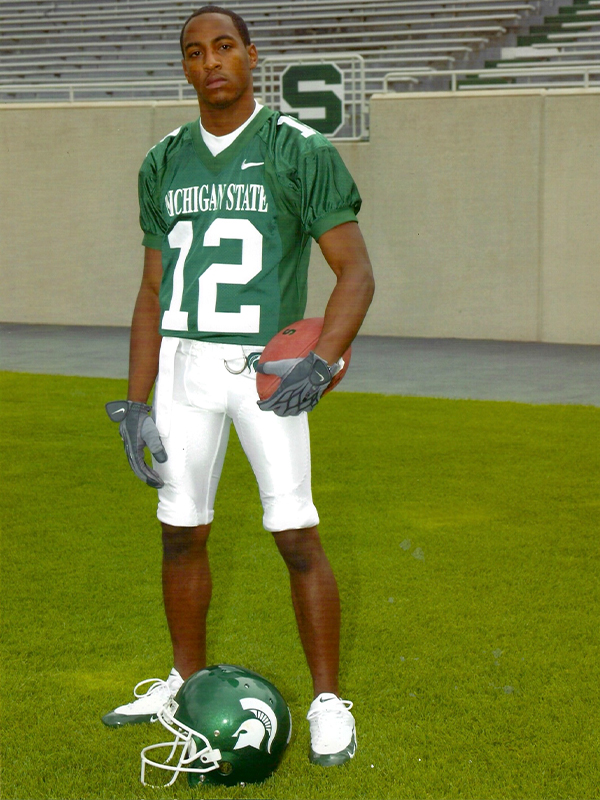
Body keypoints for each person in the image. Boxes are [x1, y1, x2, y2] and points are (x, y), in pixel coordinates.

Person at [103, 4, 374, 768]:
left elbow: (355, 271)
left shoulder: (299, 150)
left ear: (252, 56)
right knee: (179, 530)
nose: (210, 61)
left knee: (295, 534)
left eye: (224, 46)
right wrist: (135, 399)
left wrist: (323, 360)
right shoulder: (162, 159)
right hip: (183, 371)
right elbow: (152, 292)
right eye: (194, 51)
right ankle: (182, 679)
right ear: (184, 67)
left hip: (264, 373)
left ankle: (327, 700)